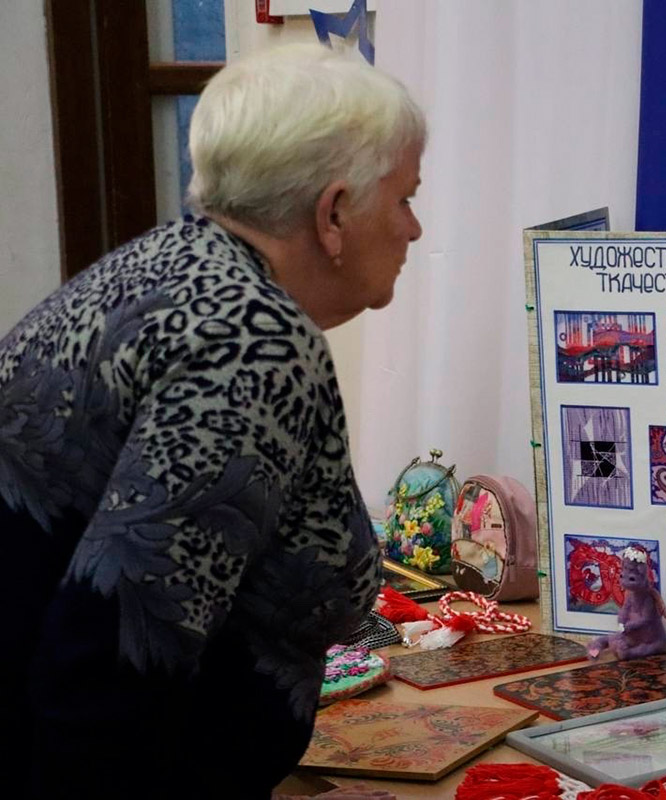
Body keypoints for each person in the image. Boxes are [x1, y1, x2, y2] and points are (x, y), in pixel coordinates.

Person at [0, 43, 424, 797]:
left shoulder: (159, 266)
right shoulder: (254, 339)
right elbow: (118, 650)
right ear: (333, 213)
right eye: (404, 199)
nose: (414, 229)